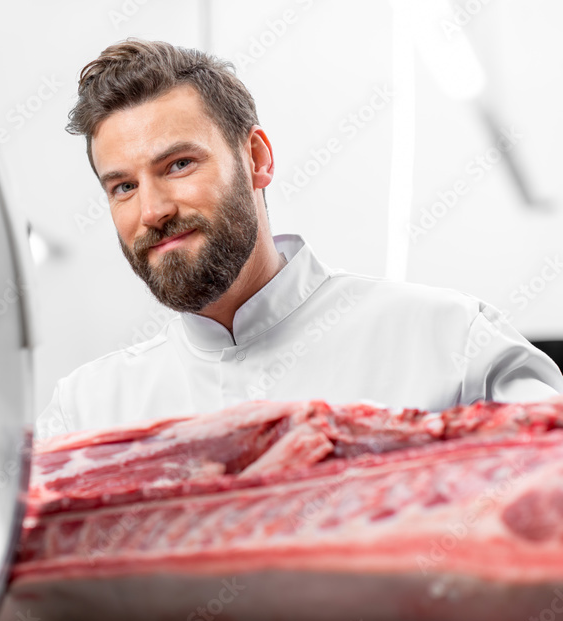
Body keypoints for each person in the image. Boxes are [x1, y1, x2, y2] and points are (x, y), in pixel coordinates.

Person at [36, 38, 563, 440]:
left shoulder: (453, 343)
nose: (152, 210)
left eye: (178, 164)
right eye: (123, 186)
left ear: (258, 159)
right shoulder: (86, 412)